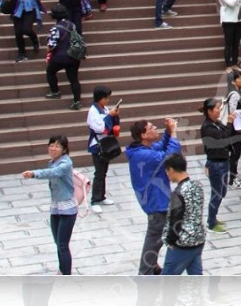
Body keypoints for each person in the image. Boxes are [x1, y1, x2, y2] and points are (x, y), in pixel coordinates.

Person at [126, 116, 181, 274]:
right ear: (143, 135)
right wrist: (175, 133)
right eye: (151, 128)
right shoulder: (143, 155)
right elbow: (170, 157)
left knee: (157, 238)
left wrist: (168, 133)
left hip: (158, 199)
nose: (155, 128)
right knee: (154, 239)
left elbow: (161, 147)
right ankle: (146, 271)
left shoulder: (143, 150)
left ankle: (152, 266)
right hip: (156, 202)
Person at [21, 135, 78, 274]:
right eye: (51, 145)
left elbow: (53, 173)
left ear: (64, 149)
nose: (53, 148)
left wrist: (34, 173)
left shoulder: (66, 163)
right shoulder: (52, 162)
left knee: (63, 245)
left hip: (67, 209)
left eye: (57, 146)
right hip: (56, 207)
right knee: (58, 243)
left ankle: (66, 274)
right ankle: (62, 270)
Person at [161, 153, 207, 275]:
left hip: (182, 244)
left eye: (167, 171)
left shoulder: (178, 193)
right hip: (198, 239)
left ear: (171, 169)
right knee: (195, 279)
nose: (167, 175)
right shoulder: (197, 186)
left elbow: (175, 221)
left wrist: (170, 241)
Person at [199, 96, 239, 233]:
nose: (219, 111)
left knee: (222, 191)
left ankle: (213, 218)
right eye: (217, 108)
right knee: (217, 193)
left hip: (222, 161)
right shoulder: (207, 127)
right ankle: (211, 222)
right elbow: (224, 138)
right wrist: (229, 123)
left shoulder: (215, 123)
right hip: (216, 164)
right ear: (209, 111)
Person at [85, 86, 121, 206]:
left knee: (103, 172)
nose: (107, 101)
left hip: (106, 144)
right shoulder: (93, 111)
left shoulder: (104, 109)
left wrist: (114, 115)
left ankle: (102, 196)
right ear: (100, 98)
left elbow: (111, 125)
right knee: (99, 173)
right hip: (97, 145)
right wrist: (110, 116)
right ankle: (95, 200)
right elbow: (101, 128)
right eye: (106, 98)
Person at [44, 8, 84, 109]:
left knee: (50, 71)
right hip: (74, 56)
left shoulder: (56, 28)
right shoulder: (72, 25)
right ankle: (77, 101)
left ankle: (55, 91)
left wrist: (48, 50)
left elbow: (52, 45)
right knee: (74, 79)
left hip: (60, 58)